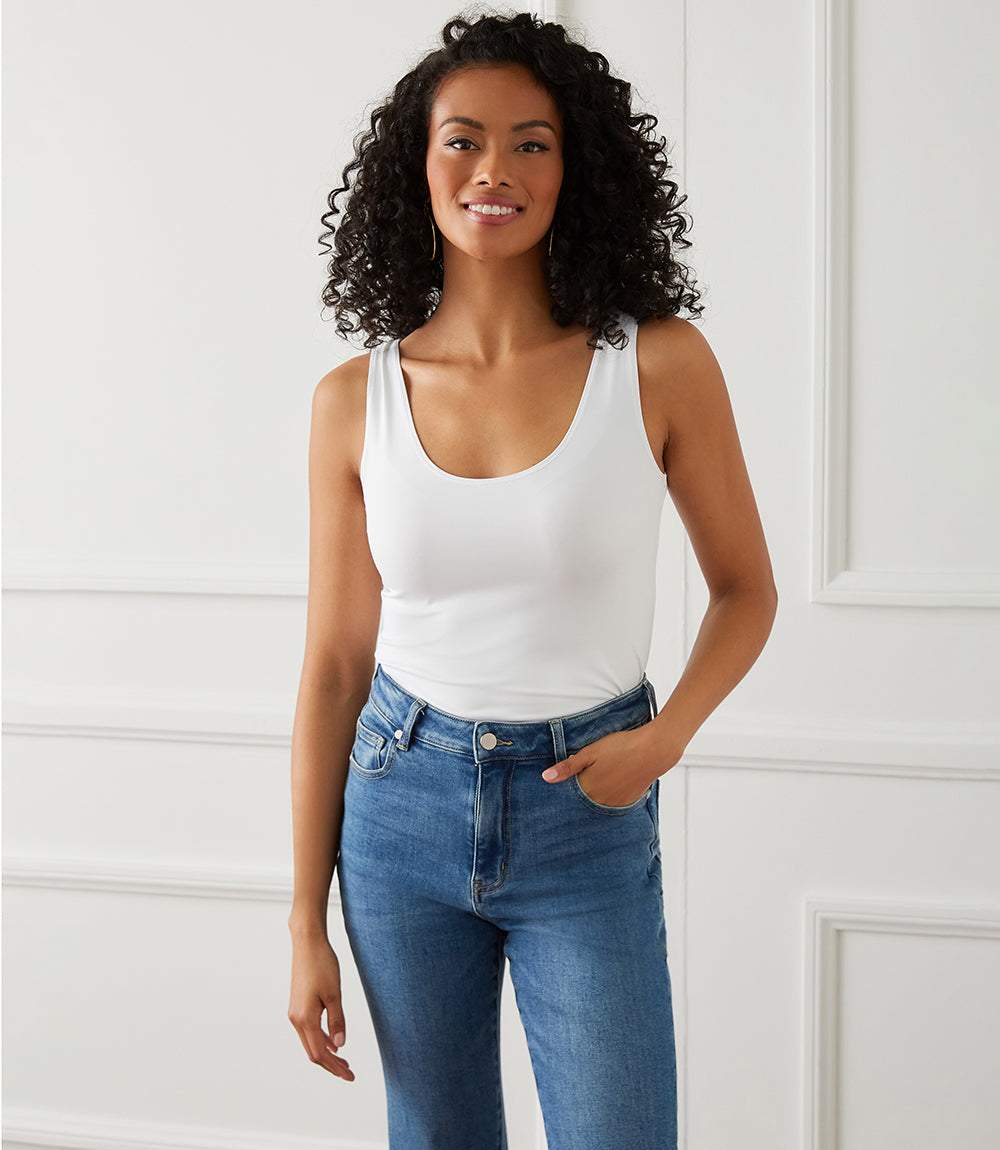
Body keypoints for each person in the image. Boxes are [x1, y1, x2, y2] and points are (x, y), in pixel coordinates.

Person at [288, 12, 777, 1149]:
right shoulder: (351, 402)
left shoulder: (656, 363)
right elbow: (334, 668)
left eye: (532, 143)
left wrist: (665, 739)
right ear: (417, 168)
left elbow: (745, 590)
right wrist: (304, 919)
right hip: (399, 806)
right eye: (463, 140)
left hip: (586, 807)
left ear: (575, 168)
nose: (494, 170)